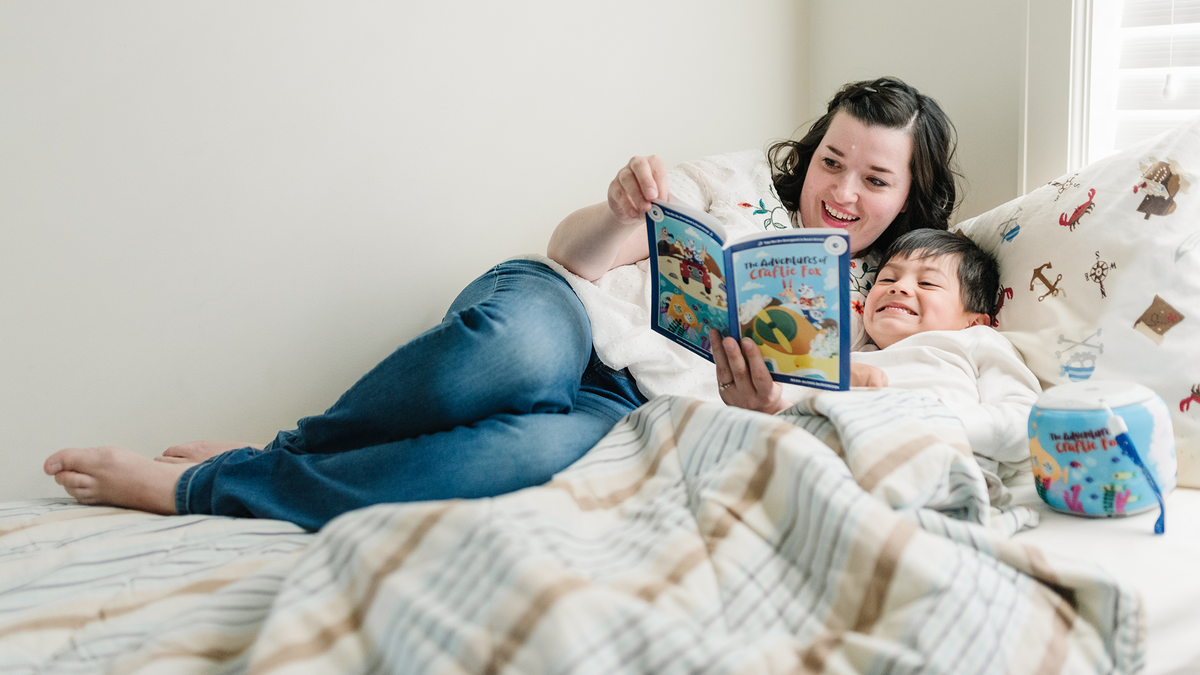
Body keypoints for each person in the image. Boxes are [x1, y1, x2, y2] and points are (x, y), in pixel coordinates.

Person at [44, 77, 964, 530]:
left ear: (908, 197)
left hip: (633, 404)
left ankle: (223, 481)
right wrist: (616, 214)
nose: (839, 190)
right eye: (831, 160)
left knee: (516, 454)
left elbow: (822, 415)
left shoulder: (876, 297)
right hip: (563, 306)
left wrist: (759, 399)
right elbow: (569, 254)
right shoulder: (725, 182)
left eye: (873, 179)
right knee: (512, 360)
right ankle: (268, 458)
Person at [846, 228, 1041, 490]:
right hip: (838, 459)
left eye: (927, 283)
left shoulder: (974, 341)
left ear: (972, 322)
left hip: (933, 467)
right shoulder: (852, 358)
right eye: (887, 279)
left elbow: (1023, 421)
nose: (899, 288)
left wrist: (938, 421)